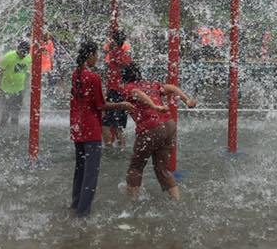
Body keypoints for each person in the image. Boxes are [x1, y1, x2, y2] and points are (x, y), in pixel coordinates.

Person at [69, 40, 131, 218]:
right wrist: (122, 104)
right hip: (91, 129)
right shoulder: (93, 77)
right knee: (91, 174)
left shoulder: (76, 74)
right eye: (96, 55)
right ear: (90, 55)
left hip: (77, 127)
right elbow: (101, 105)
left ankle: (75, 205)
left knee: (79, 169)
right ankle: (83, 213)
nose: (98, 58)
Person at [120, 62, 197, 200]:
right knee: (163, 169)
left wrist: (154, 106)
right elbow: (171, 87)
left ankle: (131, 205)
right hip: (169, 125)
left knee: (136, 167)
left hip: (151, 128)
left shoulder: (128, 87)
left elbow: (137, 93)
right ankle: (176, 201)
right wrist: (187, 100)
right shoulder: (150, 84)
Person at [102, 29, 132, 149]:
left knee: (105, 121)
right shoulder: (125, 55)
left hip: (114, 91)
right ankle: (122, 146)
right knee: (118, 123)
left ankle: (109, 145)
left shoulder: (115, 53)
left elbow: (107, 49)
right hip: (121, 91)